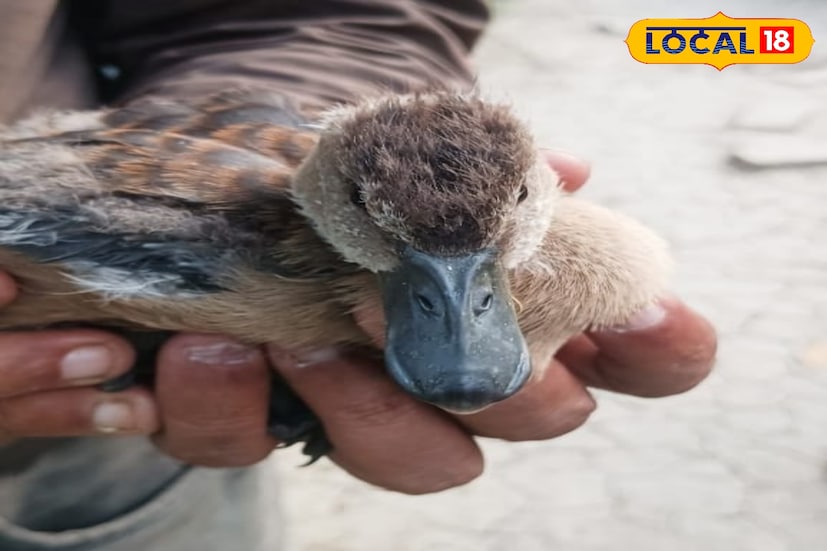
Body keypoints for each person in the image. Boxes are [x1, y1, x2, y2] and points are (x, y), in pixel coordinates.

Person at [0, 1, 717, 550]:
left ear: (537, 179)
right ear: (328, 186)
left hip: (82, 469)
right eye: (368, 218)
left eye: (517, 206)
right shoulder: (244, 242)